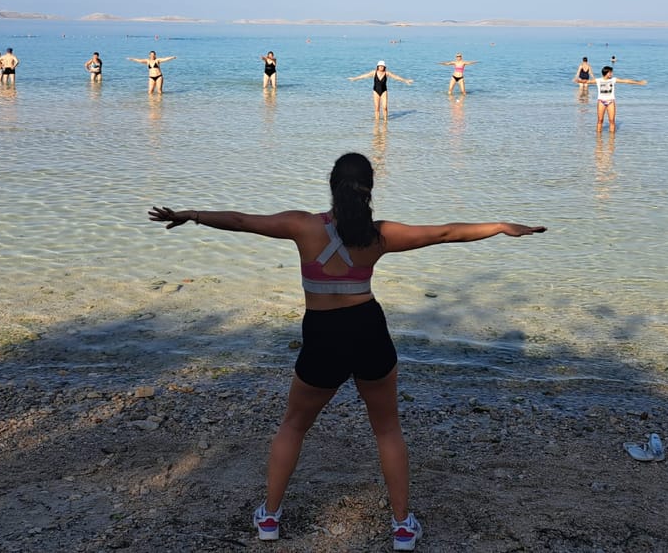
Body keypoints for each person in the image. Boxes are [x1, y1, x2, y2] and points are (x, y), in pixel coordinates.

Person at [148, 152, 546, 549]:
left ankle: (269, 519)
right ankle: (403, 527)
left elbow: (240, 221)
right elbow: (443, 233)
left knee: (293, 425)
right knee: (387, 429)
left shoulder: (302, 226)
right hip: (368, 330)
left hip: (324, 336)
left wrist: (191, 214)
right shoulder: (379, 235)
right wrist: (498, 226)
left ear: (331, 185)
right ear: (370, 189)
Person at [594, 65, 646, 134]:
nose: (611, 74)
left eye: (611, 72)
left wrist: (638, 82)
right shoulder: (598, 80)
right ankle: (598, 139)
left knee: (612, 120)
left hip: (611, 102)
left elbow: (626, 81)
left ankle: (612, 140)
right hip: (601, 102)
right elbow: (586, 81)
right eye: (610, 72)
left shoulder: (613, 80)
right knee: (600, 120)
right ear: (606, 72)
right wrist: (578, 80)